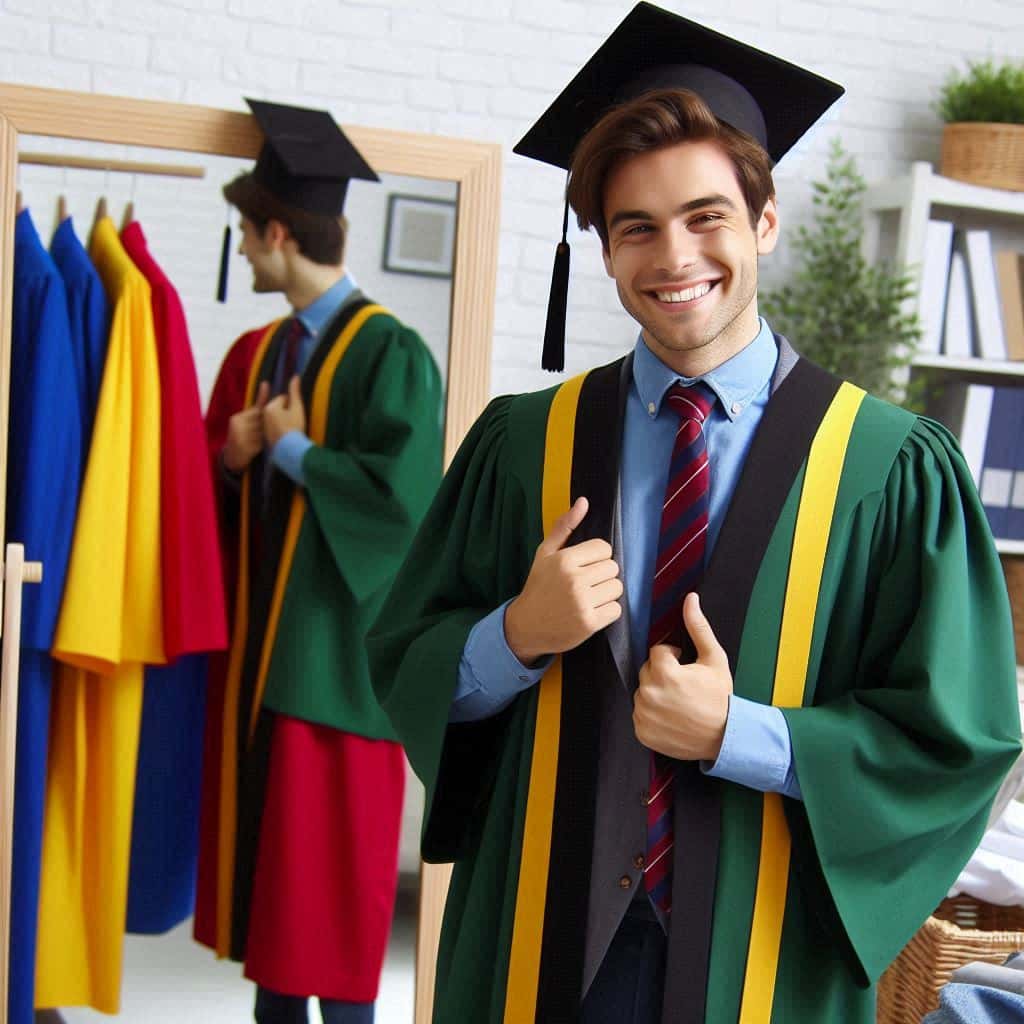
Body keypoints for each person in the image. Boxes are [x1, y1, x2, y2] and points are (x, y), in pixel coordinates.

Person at [366, 7, 1022, 1024]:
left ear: (763, 221)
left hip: (768, 955)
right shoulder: (520, 444)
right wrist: (512, 635)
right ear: (604, 247)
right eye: (636, 227)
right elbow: (403, 665)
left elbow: (957, 741)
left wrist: (742, 733)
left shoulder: (890, 469)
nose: (674, 256)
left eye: (706, 216)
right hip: (541, 937)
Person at [194, 98, 443, 1024]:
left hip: (341, 675)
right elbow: (214, 500)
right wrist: (238, 454)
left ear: (275, 232)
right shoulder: (261, 353)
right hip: (263, 668)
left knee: (331, 921)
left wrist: (297, 454)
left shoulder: (392, 354)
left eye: (247, 237)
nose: (247, 253)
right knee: (275, 927)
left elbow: (408, 510)